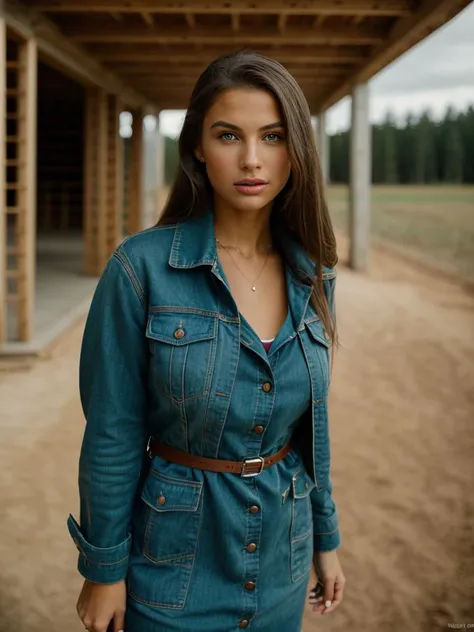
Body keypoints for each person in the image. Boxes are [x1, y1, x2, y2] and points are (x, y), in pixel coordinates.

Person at [68, 50, 345, 632]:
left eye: (272, 136)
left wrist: (326, 535)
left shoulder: (313, 272)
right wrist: (104, 568)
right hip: (169, 569)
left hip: (282, 560)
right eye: (228, 135)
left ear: (296, 148)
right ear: (197, 144)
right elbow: (113, 432)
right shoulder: (139, 269)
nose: (251, 159)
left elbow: (310, 427)